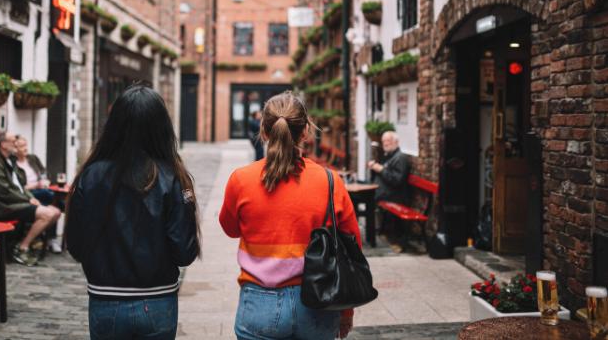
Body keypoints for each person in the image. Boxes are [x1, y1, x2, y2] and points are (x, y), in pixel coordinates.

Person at [219, 91, 360, 340]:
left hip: (259, 302)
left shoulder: (241, 179)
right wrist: (346, 310)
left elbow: (230, 229)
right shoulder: (329, 181)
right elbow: (352, 250)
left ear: (263, 131)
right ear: (305, 131)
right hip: (317, 300)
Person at [66, 85, 200, 340]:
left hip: (106, 299)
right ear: (162, 127)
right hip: (158, 299)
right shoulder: (173, 177)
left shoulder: (90, 175)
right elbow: (184, 252)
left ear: (114, 125)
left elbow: (76, 245)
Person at [0, 132, 61, 266]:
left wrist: (31, 198)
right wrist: (27, 200)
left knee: (56, 212)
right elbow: (4, 191)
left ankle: (25, 242)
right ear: (3, 144)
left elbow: (20, 185)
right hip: (5, 207)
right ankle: (22, 247)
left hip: (17, 202)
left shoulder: (9, 160)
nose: (16, 143)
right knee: (47, 214)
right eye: (13, 141)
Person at [14, 136, 64, 253]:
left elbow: (43, 172)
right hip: (27, 194)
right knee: (51, 196)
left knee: (54, 208)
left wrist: (45, 180)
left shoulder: (32, 158)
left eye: (25, 145)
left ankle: (51, 239)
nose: (25, 148)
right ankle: (63, 205)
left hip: (40, 192)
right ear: (15, 149)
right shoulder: (13, 164)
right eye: (21, 146)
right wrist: (36, 185)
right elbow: (18, 188)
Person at [368, 131, 411, 250]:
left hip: (395, 196)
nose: (385, 143)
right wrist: (375, 168)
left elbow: (397, 181)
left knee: (366, 200)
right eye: (384, 141)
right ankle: (374, 233)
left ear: (396, 142)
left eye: (388, 140)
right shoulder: (389, 156)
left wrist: (380, 169)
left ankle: (374, 235)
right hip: (385, 194)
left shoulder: (400, 157)